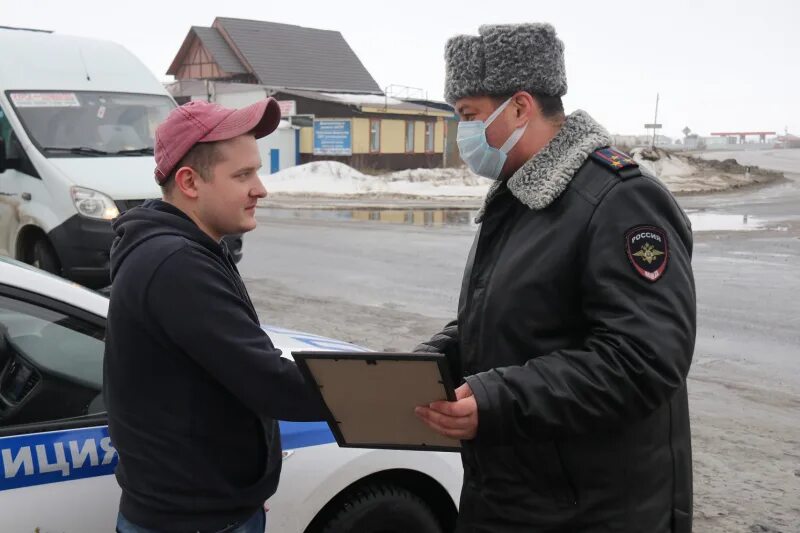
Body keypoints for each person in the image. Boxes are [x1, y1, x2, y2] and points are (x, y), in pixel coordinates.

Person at [414, 23, 696, 532]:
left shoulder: (618, 200)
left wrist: (499, 400)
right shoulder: (518, 195)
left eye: (470, 117)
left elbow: (643, 359)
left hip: (590, 512)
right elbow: (511, 320)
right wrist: (434, 362)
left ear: (520, 107)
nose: (463, 136)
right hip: (513, 495)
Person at [104, 99, 324, 533]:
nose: (260, 189)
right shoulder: (175, 264)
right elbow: (269, 382)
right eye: (243, 175)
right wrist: (386, 392)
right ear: (189, 182)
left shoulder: (183, 249)